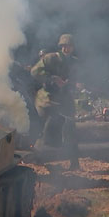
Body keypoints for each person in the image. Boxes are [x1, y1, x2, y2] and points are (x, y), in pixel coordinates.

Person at [30, 33, 80, 170]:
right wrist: (51, 78)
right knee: (46, 127)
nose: (65, 49)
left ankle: (74, 162)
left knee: (70, 128)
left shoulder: (74, 62)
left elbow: (75, 78)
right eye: (63, 46)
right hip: (48, 98)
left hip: (64, 98)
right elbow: (35, 71)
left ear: (73, 47)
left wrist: (69, 83)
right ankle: (37, 158)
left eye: (68, 46)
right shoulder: (50, 58)